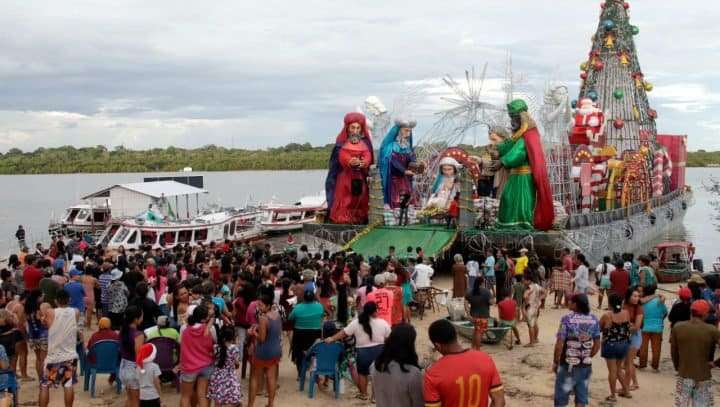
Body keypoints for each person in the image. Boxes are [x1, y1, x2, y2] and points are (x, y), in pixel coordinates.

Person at [495, 99, 554, 231]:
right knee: (507, 198)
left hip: (524, 177)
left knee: (522, 202)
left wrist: (503, 161)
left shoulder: (529, 134)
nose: (512, 121)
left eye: (514, 117)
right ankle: (509, 225)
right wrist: (498, 149)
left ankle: (522, 225)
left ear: (521, 117)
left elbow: (519, 152)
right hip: (515, 176)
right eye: (511, 117)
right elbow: (510, 146)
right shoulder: (519, 134)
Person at [423, 319, 505, 407]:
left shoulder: (432, 374)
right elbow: (499, 400)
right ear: (455, 336)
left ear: (437, 345)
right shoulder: (485, 359)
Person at [325, 301, 391, 401]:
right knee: (377, 374)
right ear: (375, 311)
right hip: (379, 351)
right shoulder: (383, 322)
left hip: (363, 352)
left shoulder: (356, 322)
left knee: (362, 374)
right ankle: (375, 397)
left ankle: (364, 394)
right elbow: (389, 338)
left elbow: (344, 333)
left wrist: (332, 338)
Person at [325, 112, 374, 224]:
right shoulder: (341, 144)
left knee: (359, 197)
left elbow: (368, 157)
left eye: (358, 128)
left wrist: (364, 163)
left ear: (361, 129)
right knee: (346, 199)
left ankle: (359, 218)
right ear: (348, 128)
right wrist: (349, 162)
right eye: (353, 127)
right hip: (344, 178)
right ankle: (343, 218)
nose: (355, 131)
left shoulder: (365, 143)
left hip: (359, 177)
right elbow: (339, 161)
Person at [552, 294, 600, 407]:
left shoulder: (567, 319)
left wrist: (556, 361)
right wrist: (586, 356)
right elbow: (597, 345)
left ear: (575, 305)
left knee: (561, 398)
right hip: (585, 365)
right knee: (581, 398)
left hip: (567, 364)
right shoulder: (594, 319)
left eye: (570, 301)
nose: (568, 303)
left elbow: (559, 344)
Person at [671, 300, 720, 407]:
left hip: (684, 374)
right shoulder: (711, 330)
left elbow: (674, 352)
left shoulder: (678, 327)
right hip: (703, 375)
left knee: (681, 404)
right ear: (705, 314)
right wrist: (716, 363)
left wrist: (677, 367)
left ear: (691, 312)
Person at [39, 290, 79, 407]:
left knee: (45, 385)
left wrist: (44, 318)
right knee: (68, 384)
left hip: (53, 357)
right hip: (70, 356)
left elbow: (45, 316)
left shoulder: (50, 312)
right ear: (69, 300)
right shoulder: (75, 312)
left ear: (56, 301)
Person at [370, 323, 424, 407]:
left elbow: (375, 394)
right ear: (410, 345)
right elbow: (419, 403)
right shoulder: (413, 373)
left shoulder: (375, 366)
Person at [248, 294, 281, 407]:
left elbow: (261, 339)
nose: (258, 307)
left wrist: (253, 332)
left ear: (267, 306)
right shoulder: (277, 315)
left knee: (254, 377)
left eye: (261, 305)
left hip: (263, 352)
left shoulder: (263, 318)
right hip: (275, 350)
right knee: (271, 378)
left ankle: (250, 404)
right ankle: (270, 404)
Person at [179, 305, 215, 407]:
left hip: (190, 368)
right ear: (204, 319)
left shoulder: (185, 331)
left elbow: (182, 348)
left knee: (185, 396)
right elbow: (211, 348)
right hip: (206, 366)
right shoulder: (207, 330)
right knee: (202, 396)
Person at [378, 118, 417, 209]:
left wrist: (418, 166)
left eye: (409, 131)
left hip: (405, 180)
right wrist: (403, 171)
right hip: (394, 180)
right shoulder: (391, 146)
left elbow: (411, 159)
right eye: (406, 131)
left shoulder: (407, 147)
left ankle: (405, 217)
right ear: (398, 131)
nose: (408, 134)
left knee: (407, 198)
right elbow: (392, 161)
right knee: (396, 199)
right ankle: (394, 216)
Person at [599, 293, 632, 402]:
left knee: (612, 371)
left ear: (610, 303)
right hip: (624, 344)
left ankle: (613, 395)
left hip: (611, 345)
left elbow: (599, 328)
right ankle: (626, 391)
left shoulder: (607, 315)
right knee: (618, 369)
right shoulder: (626, 313)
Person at [288, 290, 324, 377]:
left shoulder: (298, 307)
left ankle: (300, 372)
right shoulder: (319, 306)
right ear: (313, 298)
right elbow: (322, 316)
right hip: (315, 335)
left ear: (304, 298)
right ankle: (314, 372)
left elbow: (290, 318)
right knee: (315, 353)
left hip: (300, 335)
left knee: (298, 352)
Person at [207, 326, 243, 407]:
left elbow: (213, 358)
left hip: (217, 377)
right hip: (230, 377)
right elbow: (236, 363)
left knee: (218, 399)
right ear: (233, 337)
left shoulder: (216, 347)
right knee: (232, 398)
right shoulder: (234, 348)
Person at [119, 305, 145, 407]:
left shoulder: (123, 330)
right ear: (135, 319)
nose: (142, 318)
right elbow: (139, 355)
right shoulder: (138, 334)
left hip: (123, 367)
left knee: (129, 398)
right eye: (141, 316)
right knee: (136, 401)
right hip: (133, 368)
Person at [638, 284, 667, 371]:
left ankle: (642, 365)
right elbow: (665, 313)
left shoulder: (642, 302)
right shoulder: (659, 301)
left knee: (643, 347)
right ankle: (655, 366)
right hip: (658, 327)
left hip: (645, 326)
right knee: (656, 348)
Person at [622, 287, 643, 391]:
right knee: (628, 362)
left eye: (638, 296)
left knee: (628, 362)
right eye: (634, 296)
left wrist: (627, 326)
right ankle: (634, 383)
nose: (636, 298)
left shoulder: (639, 308)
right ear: (629, 296)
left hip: (634, 336)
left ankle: (626, 387)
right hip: (626, 335)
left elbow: (637, 327)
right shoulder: (624, 305)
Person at [25, 289, 48, 380]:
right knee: (44, 359)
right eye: (42, 296)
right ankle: (44, 379)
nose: (43, 297)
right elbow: (42, 321)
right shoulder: (39, 307)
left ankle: (40, 379)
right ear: (38, 297)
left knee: (38, 358)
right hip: (42, 335)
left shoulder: (27, 308)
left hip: (32, 336)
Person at [465, 275, 493, 349]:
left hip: (473, 315)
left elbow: (465, 302)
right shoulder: (486, 292)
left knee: (476, 331)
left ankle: (473, 347)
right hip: (483, 316)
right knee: (479, 333)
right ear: (482, 283)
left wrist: (468, 314)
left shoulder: (470, 291)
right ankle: (477, 349)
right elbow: (491, 302)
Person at [522, 273, 544, 347]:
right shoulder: (537, 286)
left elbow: (525, 296)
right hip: (536, 307)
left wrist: (526, 301)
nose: (523, 281)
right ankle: (535, 338)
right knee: (535, 323)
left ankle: (531, 342)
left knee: (530, 325)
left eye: (524, 280)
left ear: (529, 280)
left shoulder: (529, 288)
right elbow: (544, 292)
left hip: (530, 307)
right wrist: (539, 299)